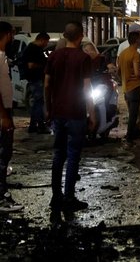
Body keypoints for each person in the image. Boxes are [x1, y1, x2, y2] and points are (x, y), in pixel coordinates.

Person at [44, 21, 96, 212]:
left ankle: (56, 197)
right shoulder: (83, 58)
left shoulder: (54, 56)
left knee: (58, 154)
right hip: (76, 113)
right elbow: (86, 88)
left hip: (58, 112)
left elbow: (47, 84)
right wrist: (93, 114)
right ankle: (69, 197)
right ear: (81, 36)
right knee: (73, 155)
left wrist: (48, 108)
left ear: (64, 36)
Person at [0, 21, 23, 212]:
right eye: (12, 34)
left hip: (5, 111)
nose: (13, 38)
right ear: (7, 34)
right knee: (2, 155)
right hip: (2, 113)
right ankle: (2, 197)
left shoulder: (3, 57)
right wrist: (4, 115)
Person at [117, 27, 140, 142]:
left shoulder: (122, 53)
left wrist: (124, 79)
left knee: (131, 113)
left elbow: (118, 71)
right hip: (134, 87)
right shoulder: (135, 54)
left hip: (125, 88)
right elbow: (137, 73)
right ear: (136, 41)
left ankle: (130, 134)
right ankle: (130, 135)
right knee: (133, 114)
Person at [23, 32, 50, 133]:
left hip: (35, 79)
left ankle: (33, 126)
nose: (46, 44)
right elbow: (31, 65)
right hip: (35, 79)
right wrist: (43, 66)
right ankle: (40, 126)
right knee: (38, 102)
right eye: (46, 42)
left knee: (37, 103)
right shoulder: (33, 49)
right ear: (42, 40)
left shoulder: (34, 48)